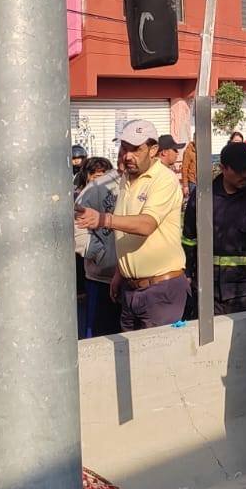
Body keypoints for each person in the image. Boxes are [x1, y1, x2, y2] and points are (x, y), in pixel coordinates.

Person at [74, 120, 189, 331]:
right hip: (130, 290)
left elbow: (146, 225)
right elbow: (126, 232)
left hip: (160, 291)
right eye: (124, 148)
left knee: (158, 351)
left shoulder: (164, 179)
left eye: (136, 149)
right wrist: (121, 272)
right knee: (130, 351)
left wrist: (103, 219)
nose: (127, 155)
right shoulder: (126, 179)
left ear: (153, 150)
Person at [183, 141, 246, 315]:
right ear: (223, 168)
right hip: (207, 289)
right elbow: (189, 239)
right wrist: (188, 273)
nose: (245, 175)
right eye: (238, 171)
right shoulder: (202, 197)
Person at [75, 157, 120, 337]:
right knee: (97, 333)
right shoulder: (89, 193)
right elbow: (77, 225)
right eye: (94, 175)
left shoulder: (124, 187)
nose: (98, 178)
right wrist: (99, 253)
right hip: (99, 277)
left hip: (125, 277)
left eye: (103, 174)